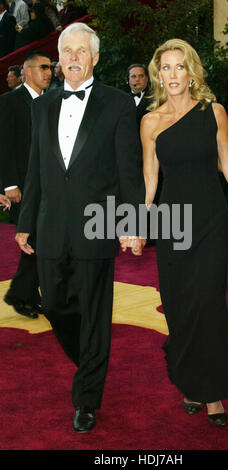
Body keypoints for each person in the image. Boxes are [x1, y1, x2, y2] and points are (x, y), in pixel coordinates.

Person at [15, 22, 145, 433]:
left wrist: (131, 222)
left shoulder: (120, 104)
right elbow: (35, 169)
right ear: (58, 58)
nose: (72, 57)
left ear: (96, 57)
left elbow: (129, 172)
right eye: (66, 51)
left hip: (98, 226)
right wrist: (25, 222)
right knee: (53, 304)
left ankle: (87, 396)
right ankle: (91, 358)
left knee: (93, 314)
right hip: (51, 224)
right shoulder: (42, 106)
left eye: (81, 51)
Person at [140, 39, 228, 426]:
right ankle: (190, 381)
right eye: (166, 68)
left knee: (208, 303)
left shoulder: (215, 112)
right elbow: (149, 180)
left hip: (208, 222)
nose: (173, 74)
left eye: (180, 67)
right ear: (159, 74)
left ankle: (212, 394)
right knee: (179, 306)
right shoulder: (150, 122)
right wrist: (138, 224)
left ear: (191, 72)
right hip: (171, 225)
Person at [0, 50, 52, 319]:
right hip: (21, 186)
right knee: (33, 241)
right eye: (42, 67)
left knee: (42, 240)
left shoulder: (53, 101)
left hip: (50, 186)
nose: (48, 72)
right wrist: (8, 184)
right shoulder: (9, 102)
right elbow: (4, 145)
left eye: (50, 68)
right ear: (27, 72)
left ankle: (26, 294)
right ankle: (23, 295)